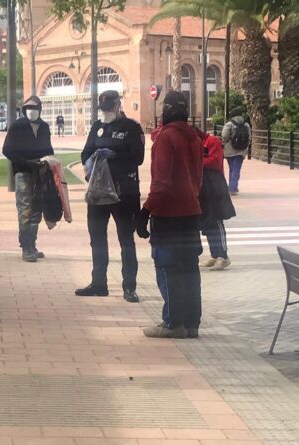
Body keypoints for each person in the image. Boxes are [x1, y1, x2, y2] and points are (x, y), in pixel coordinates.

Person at [136, 91, 204, 339]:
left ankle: (173, 323)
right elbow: (198, 179)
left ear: (167, 110)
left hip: (169, 214)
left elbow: (161, 182)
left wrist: (146, 211)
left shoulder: (166, 138)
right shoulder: (194, 138)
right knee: (190, 269)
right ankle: (191, 323)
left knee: (168, 268)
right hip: (191, 212)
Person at [76, 90, 145, 303]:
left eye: (109, 108)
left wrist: (115, 155)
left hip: (124, 192)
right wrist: (92, 159)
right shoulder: (98, 127)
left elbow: (138, 157)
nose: (106, 112)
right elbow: (85, 153)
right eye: (103, 109)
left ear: (118, 105)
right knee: (97, 238)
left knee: (126, 239)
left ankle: (129, 286)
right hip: (99, 192)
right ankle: (99, 283)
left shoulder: (131, 127)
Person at [2, 95, 54, 262]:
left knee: (37, 209)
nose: (32, 111)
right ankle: (26, 246)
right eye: (29, 108)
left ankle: (32, 244)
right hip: (23, 172)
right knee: (25, 209)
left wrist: (48, 161)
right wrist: (25, 162)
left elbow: (49, 149)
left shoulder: (44, 127)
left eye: (35, 108)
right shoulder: (18, 126)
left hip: (40, 173)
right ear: (24, 110)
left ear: (40, 110)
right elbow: (7, 150)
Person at [196, 128, 235, 271]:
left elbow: (215, 161)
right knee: (208, 223)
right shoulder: (197, 143)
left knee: (217, 221)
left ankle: (223, 256)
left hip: (215, 186)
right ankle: (214, 254)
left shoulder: (212, 142)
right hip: (204, 187)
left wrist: (197, 160)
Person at [220, 107, 250, 195]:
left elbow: (224, 136)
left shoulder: (229, 124)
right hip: (241, 150)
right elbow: (249, 137)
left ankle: (232, 187)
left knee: (232, 168)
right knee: (236, 169)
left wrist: (227, 143)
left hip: (230, 150)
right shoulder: (246, 125)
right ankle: (233, 187)